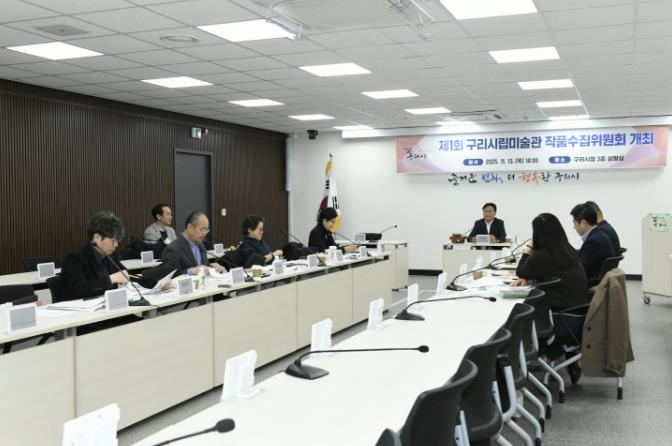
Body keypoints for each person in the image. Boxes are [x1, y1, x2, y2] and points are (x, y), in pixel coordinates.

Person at [512, 212, 589, 382]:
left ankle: (518, 367)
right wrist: (530, 275)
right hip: (577, 316)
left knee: (514, 323)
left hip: (561, 320)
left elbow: (521, 271)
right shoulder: (567, 250)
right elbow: (536, 271)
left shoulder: (543, 256)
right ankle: (560, 354)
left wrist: (529, 248)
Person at [61, 211, 130, 300]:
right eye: (113, 240)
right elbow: (78, 289)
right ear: (97, 237)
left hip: (112, 304)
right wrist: (110, 279)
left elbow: (123, 274)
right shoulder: (75, 258)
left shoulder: (111, 255)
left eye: (117, 241)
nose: (116, 245)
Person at [161, 211, 224, 276]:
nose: (204, 233)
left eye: (206, 230)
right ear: (190, 227)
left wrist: (212, 267)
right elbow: (168, 275)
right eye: (202, 229)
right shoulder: (173, 249)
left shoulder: (201, 245)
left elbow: (202, 266)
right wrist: (191, 271)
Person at [571, 203, 615, 285]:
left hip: (592, 282)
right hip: (599, 279)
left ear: (583, 223)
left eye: (575, 223)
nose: (574, 227)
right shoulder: (600, 235)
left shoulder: (593, 241)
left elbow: (580, 269)